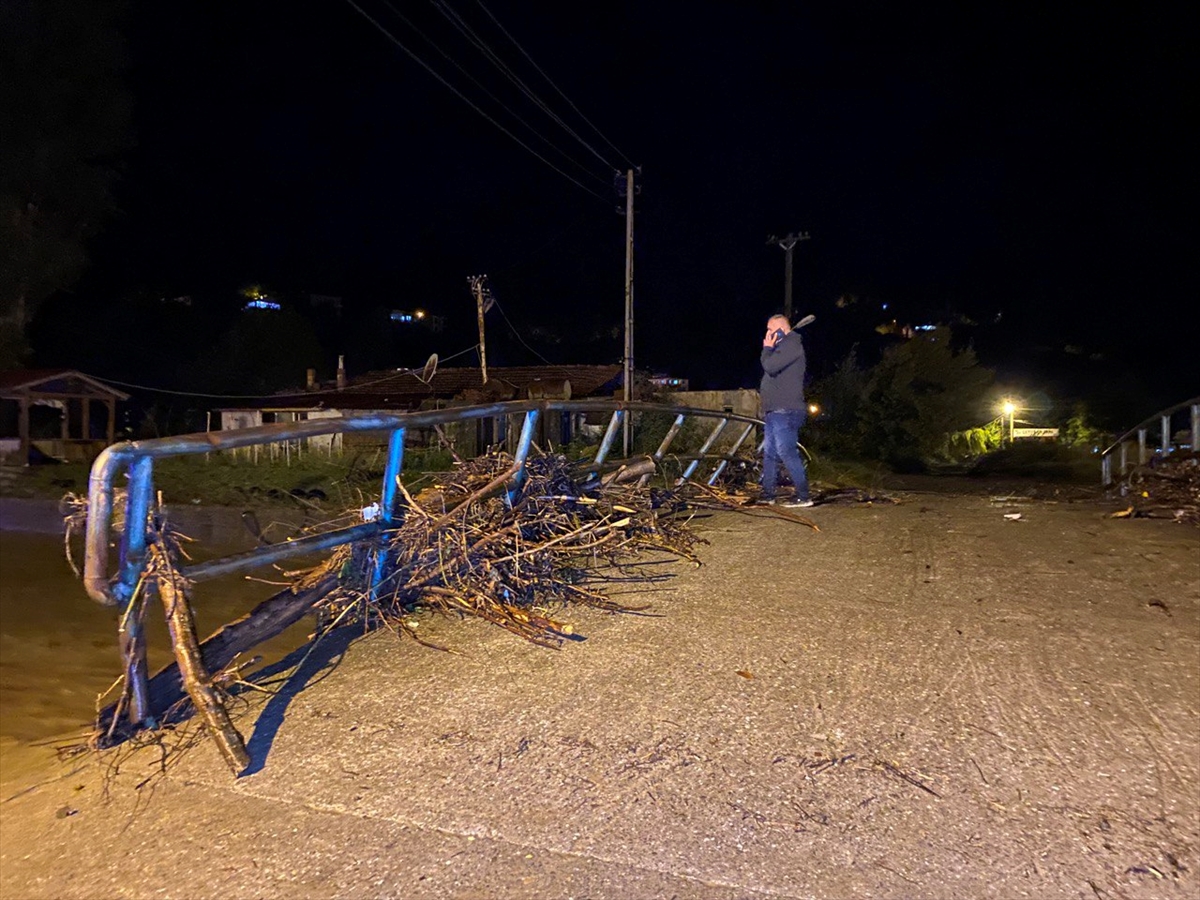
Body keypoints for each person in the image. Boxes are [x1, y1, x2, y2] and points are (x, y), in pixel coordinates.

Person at [757, 313, 813, 507]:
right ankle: (768, 494)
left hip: (786, 410)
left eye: (771, 330)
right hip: (774, 410)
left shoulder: (792, 345)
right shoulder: (782, 347)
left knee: (786, 450)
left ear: (781, 329)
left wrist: (767, 349)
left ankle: (803, 495)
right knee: (770, 453)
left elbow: (770, 367)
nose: (768, 335)